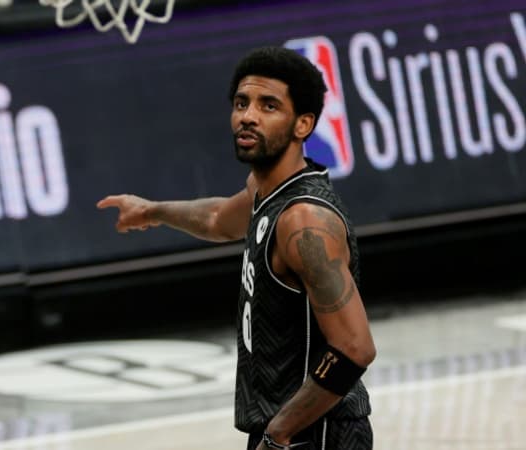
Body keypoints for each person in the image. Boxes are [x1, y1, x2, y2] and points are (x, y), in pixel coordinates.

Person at [97, 46, 376, 449]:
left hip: (315, 433)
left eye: (268, 106)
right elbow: (218, 219)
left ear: (303, 125)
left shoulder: (304, 222)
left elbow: (354, 347)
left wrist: (281, 433)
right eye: (242, 103)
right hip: (283, 429)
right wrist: (152, 211)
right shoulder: (266, 192)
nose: (248, 115)